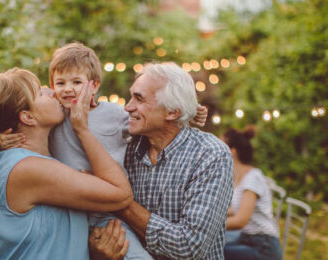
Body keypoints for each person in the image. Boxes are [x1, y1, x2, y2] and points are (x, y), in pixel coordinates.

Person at [0, 68, 133, 259]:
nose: (52, 92)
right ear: (28, 117)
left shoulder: (23, 161)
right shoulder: (26, 168)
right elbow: (121, 194)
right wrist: (82, 129)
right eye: (40, 92)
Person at [89, 63, 234, 259]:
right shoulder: (125, 146)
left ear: (172, 112)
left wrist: (117, 200)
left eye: (139, 99)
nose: (128, 107)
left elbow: (189, 247)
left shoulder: (210, 155)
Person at [222, 127, 282, 260]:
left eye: (221, 147)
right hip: (248, 239)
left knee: (210, 252)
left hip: (263, 248)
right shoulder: (239, 177)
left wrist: (209, 225)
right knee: (213, 244)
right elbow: (235, 210)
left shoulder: (252, 177)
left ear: (232, 152)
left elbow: (240, 220)